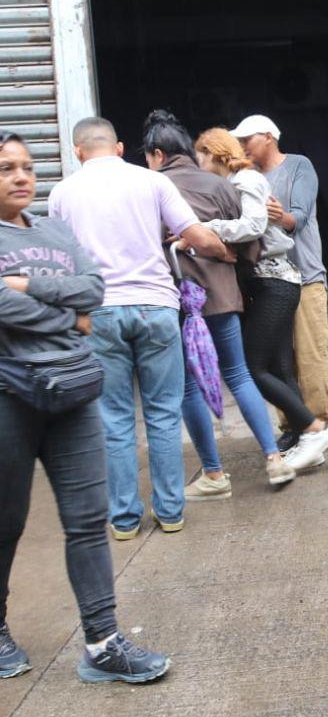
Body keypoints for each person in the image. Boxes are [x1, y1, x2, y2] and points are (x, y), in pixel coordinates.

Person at [0, 131, 171, 685]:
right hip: (10, 396)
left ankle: (103, 643)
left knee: (88, 523)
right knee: (7, 523)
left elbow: (93, 290)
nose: (21, 176)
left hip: (73, 392)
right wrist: (68, 317)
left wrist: (28, 284)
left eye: (26, 166)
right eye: (6, 168)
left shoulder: (53, 227)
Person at [49, 117, 229, 539]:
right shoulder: (151, 182)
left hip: (99, 313)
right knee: (164, 413)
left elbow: (59, 261)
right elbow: (195, 235)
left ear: (78, 151)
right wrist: (223, 252)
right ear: (119, 148)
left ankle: (125, 519)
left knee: (113, 418)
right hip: (155, 308)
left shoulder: (62, 193)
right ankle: (169, 512)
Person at [141, 111, 298, 495]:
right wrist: (227, 259)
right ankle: (274, 460)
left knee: (189, 386)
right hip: (223, 296)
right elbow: (252, 246)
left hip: (177, 300)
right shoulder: (219, 186)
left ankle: (213, 475)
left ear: (156, 154)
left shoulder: (151, 187)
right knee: (239, 373)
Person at [195, 127, 328, 474]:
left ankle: (315, 428)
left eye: (200, 155)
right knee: (277, 367)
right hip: (273, 282)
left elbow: (255, 225)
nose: (198, 163)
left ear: (215, 154)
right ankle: (305, 435)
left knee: (252, 367)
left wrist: (206, 228)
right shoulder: (240, 182)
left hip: (275, 281)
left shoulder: (246, 180)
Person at [232, 114, 328, 452]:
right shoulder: (245, 177)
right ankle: (293, 424)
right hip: (266, 282)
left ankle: (321, 424)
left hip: (305, 276)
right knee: (277, 360)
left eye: (248, 139)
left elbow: (300, 217)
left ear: (268, 137)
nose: (243, 146)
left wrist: (280, 217)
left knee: (309, 355)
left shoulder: (298, 166)